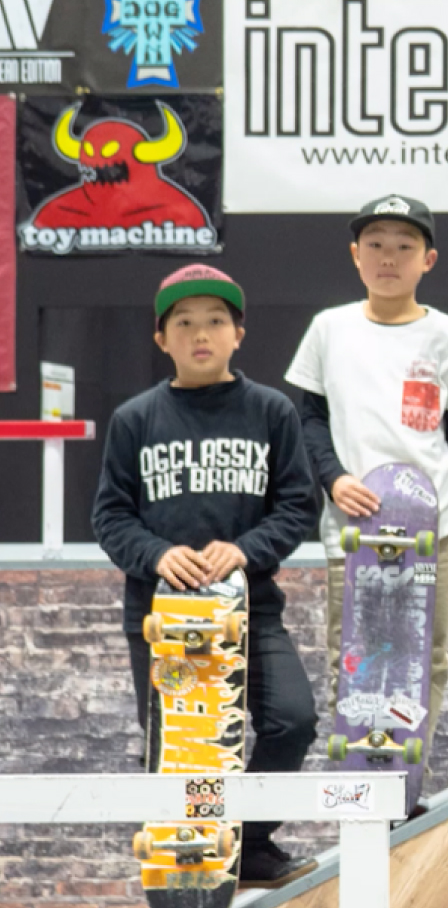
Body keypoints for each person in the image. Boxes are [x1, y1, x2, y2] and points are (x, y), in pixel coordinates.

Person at [95, 266, 321, 887]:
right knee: (178, 750)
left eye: (216, 321)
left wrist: (245, 550)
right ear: (161, 338)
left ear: (238, 333)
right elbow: (110, 516)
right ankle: (182, 880)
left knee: (293, 720)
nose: (201, 334)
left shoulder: (271, 411)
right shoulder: (135, 419)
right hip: (162, 621)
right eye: (185, 322)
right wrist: (157, 554)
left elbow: (298, 507)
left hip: (250, 611)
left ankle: (247, 842)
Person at [285, 195, 448, 768]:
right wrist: (333, 479)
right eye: (375, 245)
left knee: (425, 655)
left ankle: (406, 772)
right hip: (355, 527)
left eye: (404, 246)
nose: (388, 258)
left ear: (429, 260)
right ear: (356, 255)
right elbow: (310, 418)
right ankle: (354, 770)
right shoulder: (330, 329)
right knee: (353, 653)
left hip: (432, 526)